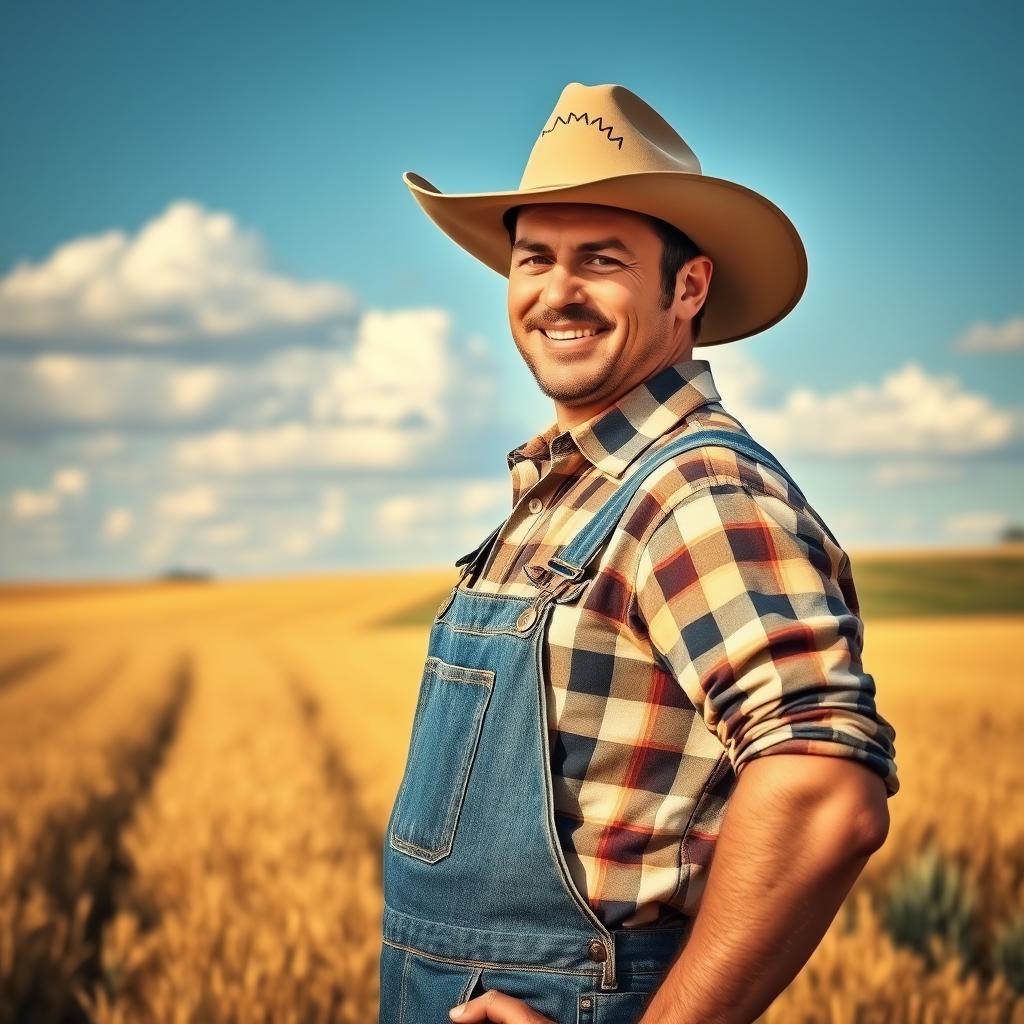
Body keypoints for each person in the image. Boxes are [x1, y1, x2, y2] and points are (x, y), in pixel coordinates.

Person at [378, 82, 899, 1024]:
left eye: (601, 260)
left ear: (687, 287)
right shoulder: (572, 485)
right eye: (534, 257)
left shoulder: (693, 491)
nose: (557, 291)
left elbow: (825, 795)